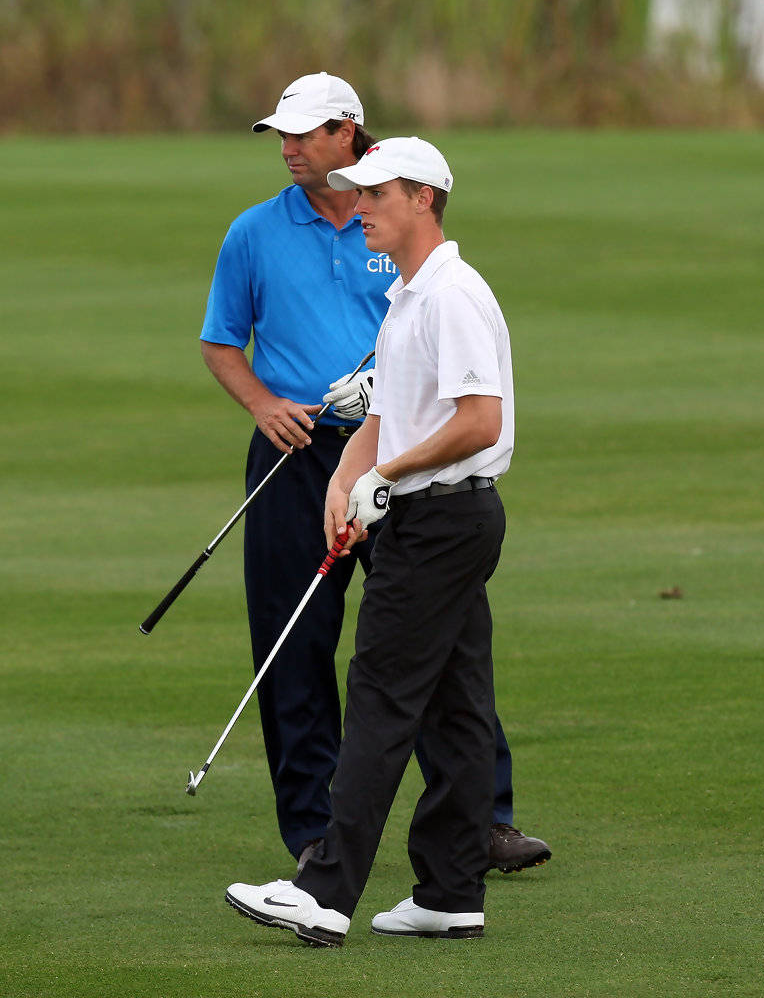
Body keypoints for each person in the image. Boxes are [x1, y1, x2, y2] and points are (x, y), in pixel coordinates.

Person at [200, 73, 549, 879]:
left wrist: (382, 445)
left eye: (304, 133)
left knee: (441, 649)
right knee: (297, 644)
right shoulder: (255, 232)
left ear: (348, 131)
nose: (288, 149)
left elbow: (437, 374)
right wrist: (263, 405)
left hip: (407, 462)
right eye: (279, 136)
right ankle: (313, 832)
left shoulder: (391, 224)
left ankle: (482, 822)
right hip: (301, 457)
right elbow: (222, 340)